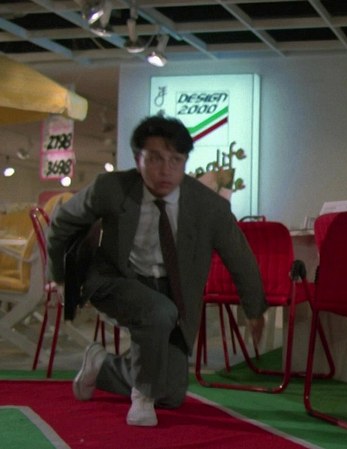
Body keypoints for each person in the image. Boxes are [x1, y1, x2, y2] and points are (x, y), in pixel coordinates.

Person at [46, 115, 267, 427]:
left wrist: (254, 309)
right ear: (138, 159)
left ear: (186, 161)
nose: (165, 170)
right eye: (155, 159)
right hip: (115, 279)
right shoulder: (110, 188)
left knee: (172, 393)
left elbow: (239, 256)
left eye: (175, 160)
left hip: (172, 289)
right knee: (158, 312)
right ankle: (142, 398)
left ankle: (102, 365)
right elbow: (62, 223)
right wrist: (60, 277)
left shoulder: (209, 206)